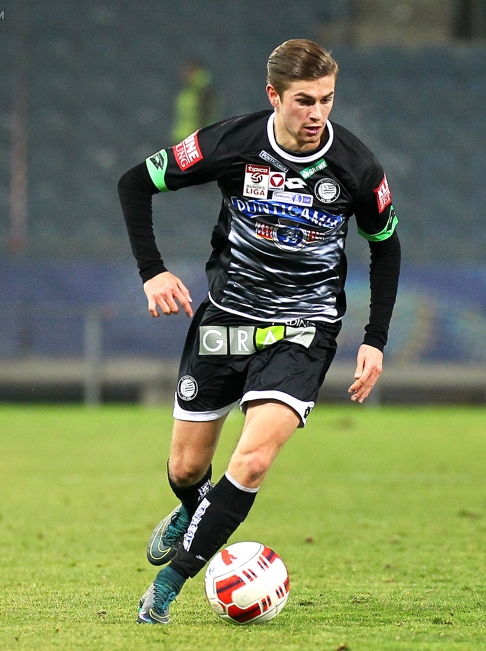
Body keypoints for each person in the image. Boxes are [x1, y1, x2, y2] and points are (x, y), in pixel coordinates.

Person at [117, 38, 402, 625]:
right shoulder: (233, 143)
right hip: (225, 319)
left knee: (250, 462)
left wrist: (373, 338)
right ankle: (194, 514)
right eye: (303, 101)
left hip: (305, 327)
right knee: (186, 471)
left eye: (326, 100)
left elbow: (386, 248)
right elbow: (134, 183)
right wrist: (153, 271)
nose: (317, 114)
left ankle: (168, 589)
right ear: (273, 96)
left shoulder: (356, 166)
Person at [171, 60, 220, 144]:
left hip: (195, 141)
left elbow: (206, 117)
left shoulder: (204, 92)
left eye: (189, 71)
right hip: (182, 138)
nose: (184, 74)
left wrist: (201, 140)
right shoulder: (187, 91)